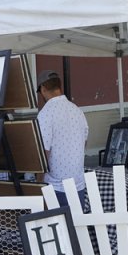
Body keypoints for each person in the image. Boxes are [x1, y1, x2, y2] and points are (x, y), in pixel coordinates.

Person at [35, 71, 88, 206]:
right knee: (77, 220)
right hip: (78, 184)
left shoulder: (45, 114)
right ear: (59, 87)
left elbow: (43, 153)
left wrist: (38, 182)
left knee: (56, 220)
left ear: (43, 88)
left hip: (56, 187)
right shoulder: (77, 110)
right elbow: (84, 142)